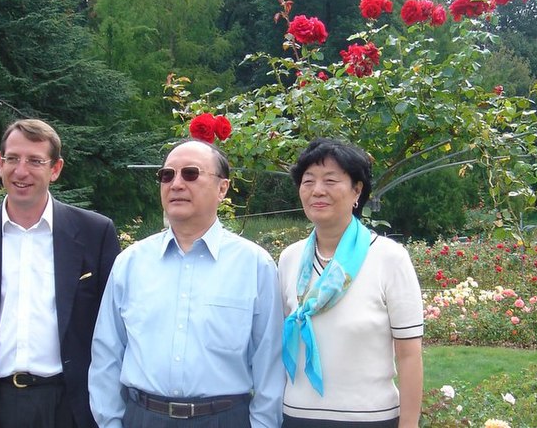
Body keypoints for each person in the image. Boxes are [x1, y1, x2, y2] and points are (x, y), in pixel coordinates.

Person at [89, 138, 284, 428]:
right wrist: (110, 422)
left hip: (224, 419)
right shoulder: (131, 263)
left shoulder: (254, 265)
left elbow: (270, 361)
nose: (176, 184)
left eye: (190, 173)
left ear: (222, 188)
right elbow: (107, 353)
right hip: (143, 417)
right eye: (167, 175)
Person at [0, 119, 120, 428]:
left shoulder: (95, 233)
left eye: (35, 161)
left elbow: (115, 332)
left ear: (55, 168)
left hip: (70, 405)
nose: (20, 171)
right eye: (12, 158)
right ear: (0, 163)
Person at [279, 138, 424, 428]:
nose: (317, 190)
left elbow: (409, 355)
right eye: (308, 181)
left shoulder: (388, 257)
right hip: (296, 416)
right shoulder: (289, 258)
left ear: (357, 190)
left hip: (369, 417)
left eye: (330, 180)